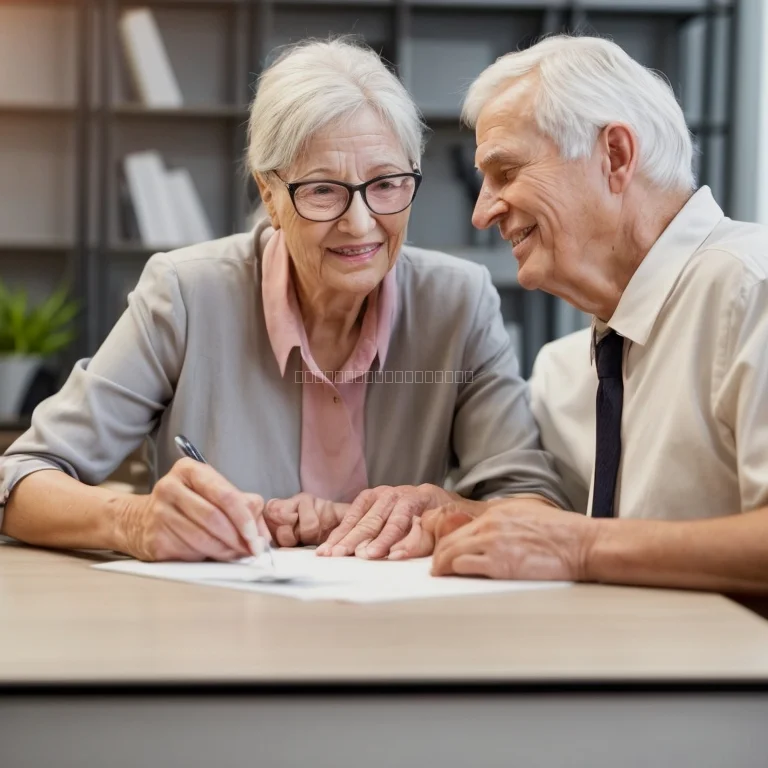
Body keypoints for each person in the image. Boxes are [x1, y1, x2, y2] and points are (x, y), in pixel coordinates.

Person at [0, 39, 568, 563]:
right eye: (322, 189)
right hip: (217, 636)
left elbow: (530, 507)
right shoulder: (185, 294)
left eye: (387, 183)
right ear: (270, 196)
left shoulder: (459, 303)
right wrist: (133, 520)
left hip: (399, 641)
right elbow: (20, 478)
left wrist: (440, 511)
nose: (360, 222)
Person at [390, 35, 768, 594]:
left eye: (506, 172)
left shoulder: (751, 290)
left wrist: (579, 546)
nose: (481, 212)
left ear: (614, 156)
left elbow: (576, 544)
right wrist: (457, 513)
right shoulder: (566, 370)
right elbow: (564, 531)